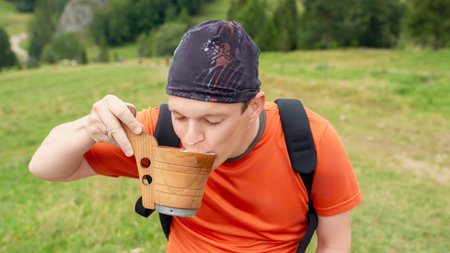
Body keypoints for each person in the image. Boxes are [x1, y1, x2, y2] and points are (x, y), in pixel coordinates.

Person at [29, 20, 362, 252]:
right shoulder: (155, 133)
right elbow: (44, 167)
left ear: (255, 106)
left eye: (212, 121)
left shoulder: (307, 138)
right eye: (180, 115)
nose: (190, 137)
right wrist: (88, 128)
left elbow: (334, 243)